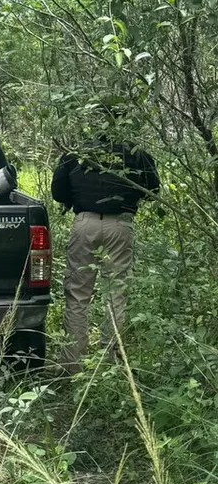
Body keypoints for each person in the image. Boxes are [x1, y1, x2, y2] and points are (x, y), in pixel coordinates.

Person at [51, 127, 160, 371]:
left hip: (85, 222)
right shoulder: (137, 155)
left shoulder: (76, 154)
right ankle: (109, 362)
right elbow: (153, 191)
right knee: (115, 293)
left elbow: (58, 192)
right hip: (121, 224)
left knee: (78, 294)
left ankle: (71, 363)